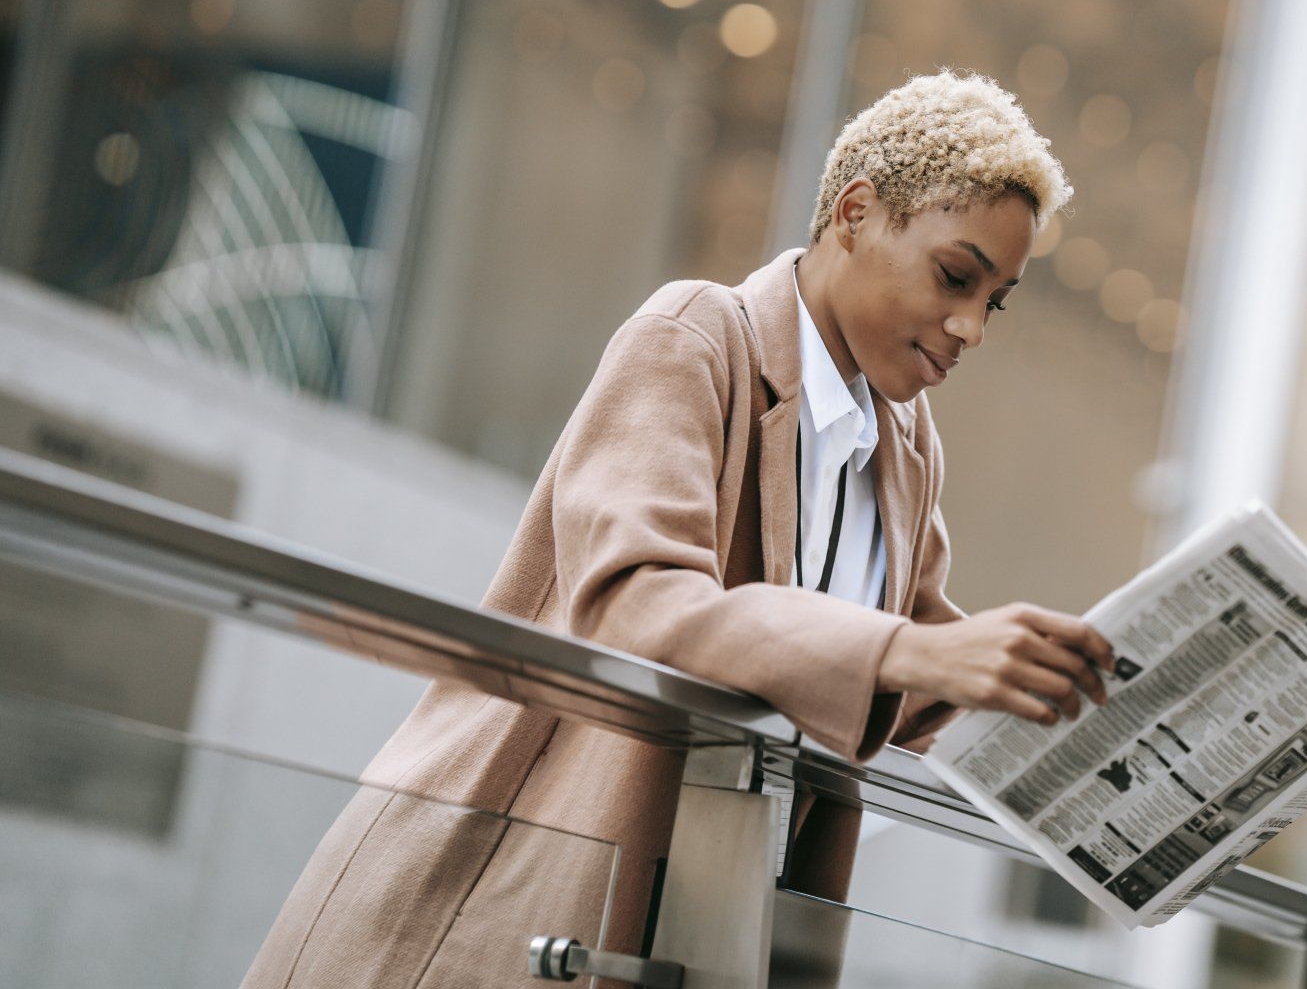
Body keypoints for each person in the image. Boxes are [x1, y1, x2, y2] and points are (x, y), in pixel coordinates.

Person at [242, 70, 1116, 988]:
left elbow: (911, 696)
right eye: (956, 276)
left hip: (702, 923)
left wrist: (1077, 702)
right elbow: (634, 598)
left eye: (997, 300)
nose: (973, 326)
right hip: (509, 900)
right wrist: (913, 654)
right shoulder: (697, 337)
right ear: (856, 213)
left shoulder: (903, 445)